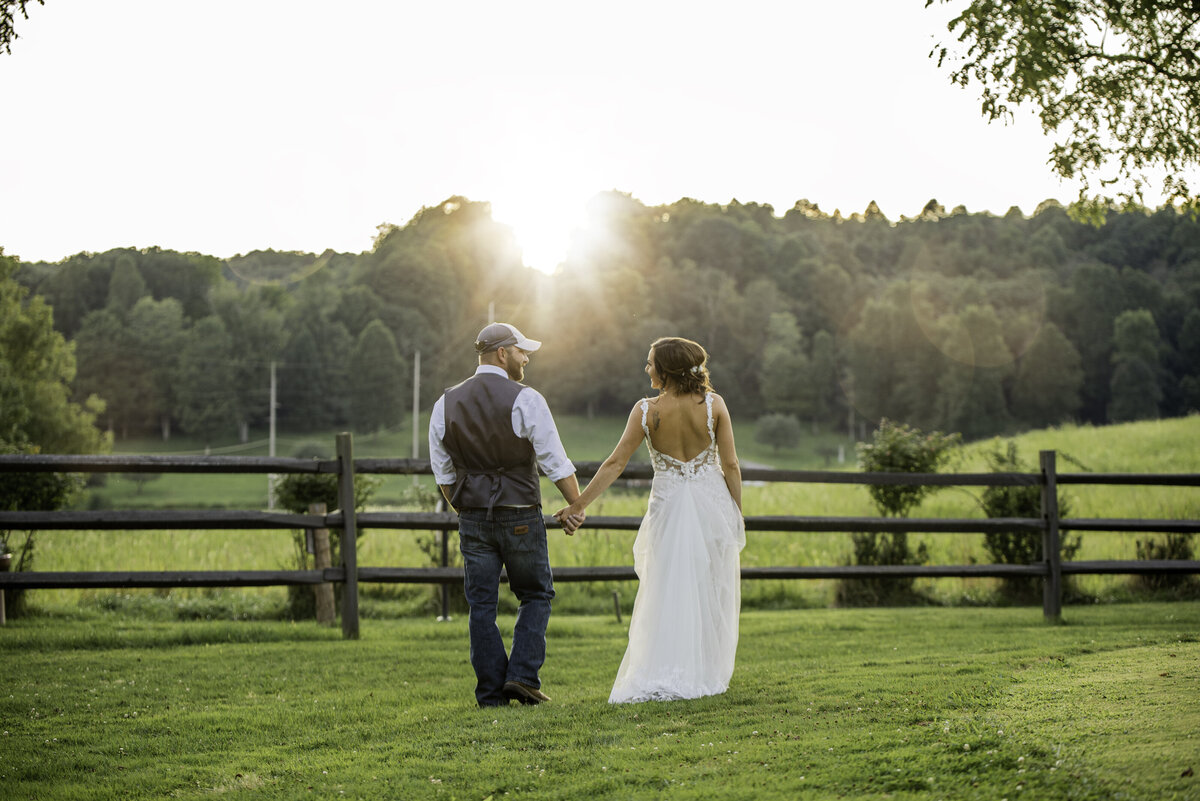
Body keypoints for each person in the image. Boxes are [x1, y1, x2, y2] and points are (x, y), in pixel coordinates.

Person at [555, 336, 745, 703]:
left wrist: (579, 504)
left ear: (667, 369)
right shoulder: (714, 406)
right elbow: (732, 465)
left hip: (669, 506)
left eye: (650, 363)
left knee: (665, 586)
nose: (647, 369)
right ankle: (703, 670)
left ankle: (665, 668)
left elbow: (615, 463)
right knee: (708, 587)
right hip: (711, 505)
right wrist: (736, 513)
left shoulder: (645, 412)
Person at [429, 322, 584, 708]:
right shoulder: (526, 398)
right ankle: (522, 677)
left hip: (473, 518)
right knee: (535, 593)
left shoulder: (444, 403)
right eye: (521, 351)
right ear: (502, 353)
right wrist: (577, 506)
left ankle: (490, 694)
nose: (525, 357)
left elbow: (444, 473)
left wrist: (466, 510)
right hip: (520, 515)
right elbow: (554, 461)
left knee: (481, 605)